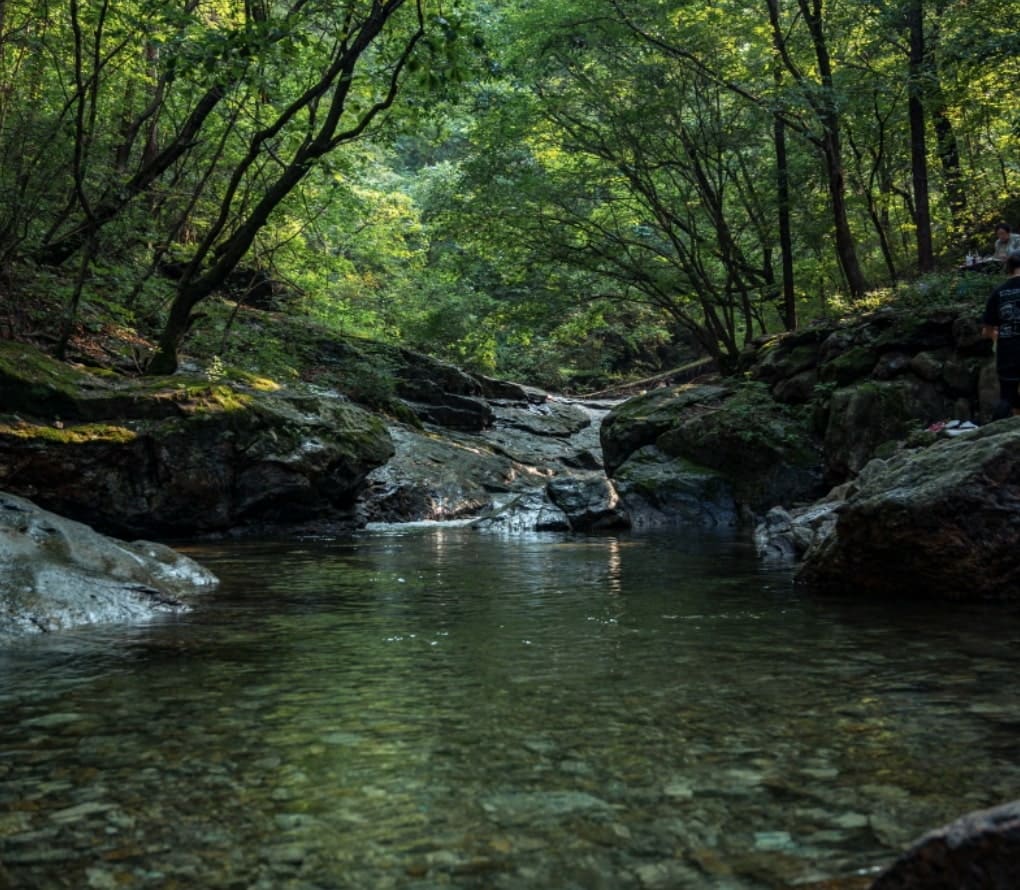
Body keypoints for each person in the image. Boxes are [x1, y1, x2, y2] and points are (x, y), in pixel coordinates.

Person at [981, 250, 1020, 419]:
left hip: (1008, 352)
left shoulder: (997, 293)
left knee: (1008, 398)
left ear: (1009, 268)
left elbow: (987, 331)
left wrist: (996, 336)